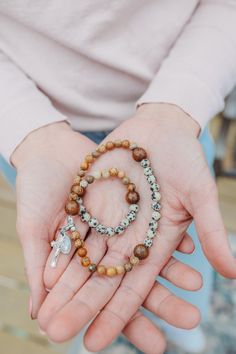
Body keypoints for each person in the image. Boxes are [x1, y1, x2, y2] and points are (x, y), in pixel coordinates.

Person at [0, 1, 236, 353]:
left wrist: (176, 106)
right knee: (76, 291)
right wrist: (27, 130)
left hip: (177, 125)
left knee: (181, 255)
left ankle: (187, 338)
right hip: (34, 141)